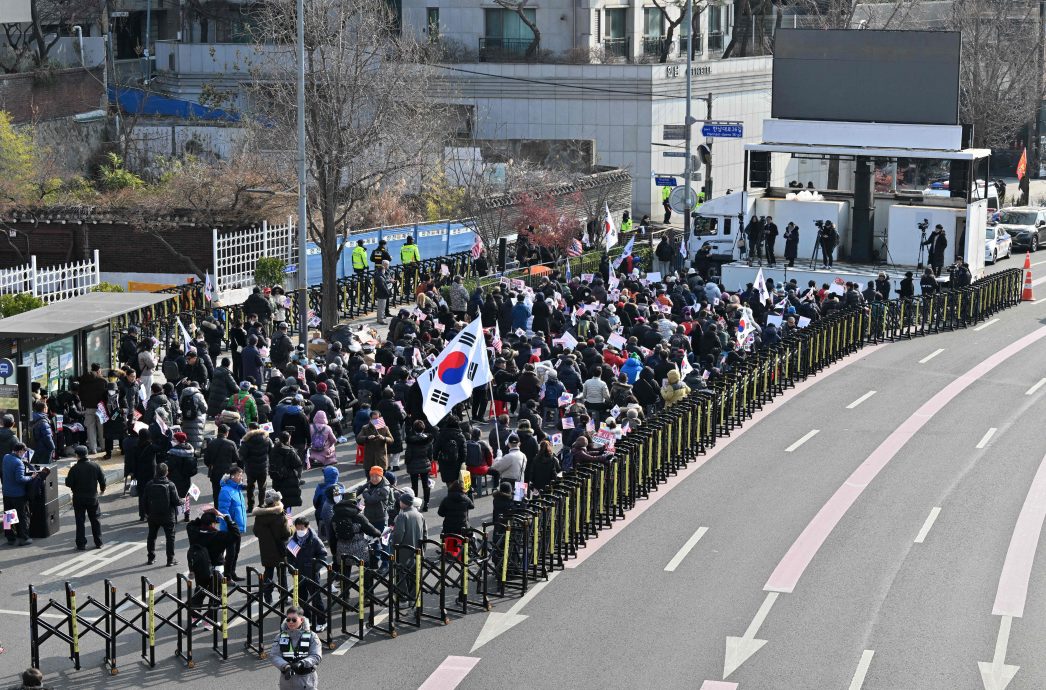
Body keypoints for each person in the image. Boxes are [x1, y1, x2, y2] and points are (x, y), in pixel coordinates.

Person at [285, 518, 330, 631]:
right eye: (298, 527)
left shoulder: (314, 540)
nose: (300, 529)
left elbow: (323, 555)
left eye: (302, 527)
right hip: (298, 574)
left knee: (316, 598)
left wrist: (315, 568)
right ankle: (307, 620)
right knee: (302, 599)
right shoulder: (293, 540)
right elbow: (289, 556)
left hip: (312, 574)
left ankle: (322, 621)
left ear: (307, 526)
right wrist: (292, 569)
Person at [253, 489, 293, 603]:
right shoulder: (280, 516)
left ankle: (267, 597)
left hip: (266, 549)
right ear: (275, 502)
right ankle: (284, 597)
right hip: (280, 550)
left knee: (268, 574)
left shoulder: (259, 516)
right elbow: (286, 533)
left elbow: (256, 532)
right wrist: (293, 528)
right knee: (282, 575)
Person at [270, 605, 322, 689]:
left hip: (306, 682)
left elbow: (316, 656)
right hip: (286, 682)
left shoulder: (312, 636)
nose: (290, 622)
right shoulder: (280, 637)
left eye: (294, 620)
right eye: (288, 619)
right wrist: (286, 666)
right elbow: (274, 655)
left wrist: (301, 663)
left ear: (301, 620)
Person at [65, 445, 106, 550]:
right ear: (87, 454)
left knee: (80, 521)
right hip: (92, 497)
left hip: (78, 498)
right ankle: (99, 542)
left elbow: (69, 483)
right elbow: (102, 480)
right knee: (95, 520)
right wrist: (102, 489)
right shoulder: (95, 466)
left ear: (77, 455)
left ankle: (81, 544)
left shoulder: (74, 468)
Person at [144, 463, 180, 566]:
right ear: (167, 472)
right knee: (170, 538)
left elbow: (144, 500)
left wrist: (147, 513)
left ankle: (151, 558)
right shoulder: (170, 485)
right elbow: (176, 501)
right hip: (168, 515)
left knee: (151, 536)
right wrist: (182, 500)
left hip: (153, 515)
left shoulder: (150, 484)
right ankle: (170, 559)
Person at [2, 443, 36, 545]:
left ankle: (10, 537)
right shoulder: (18, 463)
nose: (24, 454)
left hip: (7, 492)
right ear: (20, 451)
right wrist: (31, 477)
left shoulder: (6, 457)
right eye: (24, 452)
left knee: (8, 516)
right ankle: (24, 537)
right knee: (22, 516)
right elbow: (20, 479)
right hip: (18, 494)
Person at [239, 422, 273, 513]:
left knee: (250, 487)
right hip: (263, 467)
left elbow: (241, 455)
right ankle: (261, 504)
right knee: (262, 487)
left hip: (251, 468)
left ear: (250, 429)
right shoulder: (267, 439)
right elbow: (271, 452)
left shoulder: (246, 440)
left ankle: (250, 506)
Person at [165, 432, 197, 522]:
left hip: (175, 478)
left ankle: (174, 516)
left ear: (178, 440)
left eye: (174, 439)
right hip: (186, 477)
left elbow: (170, 465)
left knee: (174, 497)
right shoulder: (190, 449)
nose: (172, 441)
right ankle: (187, 515)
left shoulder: (173, 452)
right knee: (186, 497)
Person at [269, 432, 304, 511]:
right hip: (289, 479)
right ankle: (288, 521)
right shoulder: (290, 451)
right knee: (288, 503)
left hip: (277, 478)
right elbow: (298, 464)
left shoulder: (274, 450)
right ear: (288, 439)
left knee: (279, 501)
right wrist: (297, 477)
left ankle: (280, 520)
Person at [204, 424, 238, 504]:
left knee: (216, 494)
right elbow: (236, 458)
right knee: (228, 493)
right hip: (227, 472)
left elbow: (206, 460)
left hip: (214, 472)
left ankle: (217, 512)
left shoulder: (211, 443)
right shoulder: (231, 443)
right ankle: (227, 513)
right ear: (226, 433)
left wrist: (211, 465)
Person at [78, 363, 108, 454]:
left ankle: (93, 448)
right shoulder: (103, 381)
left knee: (90, 428)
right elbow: (106, 395)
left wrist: (84, 402)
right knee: (101, 427)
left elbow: (80, 393)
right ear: (99, 370)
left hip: (88, 407)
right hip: (100, 407)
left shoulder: (83, 380)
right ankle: (103, 447)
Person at [404, 419, 433, 511]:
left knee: (414, 485)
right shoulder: (428, 439)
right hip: (425, 463)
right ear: (423, 429)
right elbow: (430, 454)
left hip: (413, 464)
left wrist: (407, 462)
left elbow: (408, 454)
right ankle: (426, 504)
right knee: (426, 485)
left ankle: (415, 504)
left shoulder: (411, 440)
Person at [374, 261, 393, 325]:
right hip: (382, 294)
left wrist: (389, 281)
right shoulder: (380, 277)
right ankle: (380, 320)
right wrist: (387, 293)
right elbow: (383, 286)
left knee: (380, 307)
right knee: (381, 307)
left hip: (380, 294)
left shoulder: (379, 276)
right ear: (382, 270)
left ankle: (379, 318)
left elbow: (384, 282)